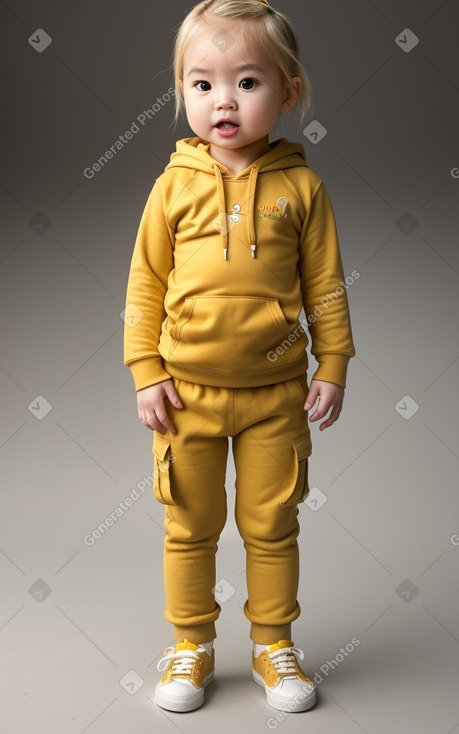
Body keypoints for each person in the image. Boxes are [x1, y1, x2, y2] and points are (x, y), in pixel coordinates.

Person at [123, 0, 356, 714]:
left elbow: (324, 287)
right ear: (182, 92)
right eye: (201, 83)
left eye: (247, 82)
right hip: (184, 396)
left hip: (275, 399)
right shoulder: (172, 187)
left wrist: (332, 364)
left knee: (271, 524)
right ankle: (190, 644)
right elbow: (144, 285)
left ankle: (271, 643)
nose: (222, 100)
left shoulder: (302, 189)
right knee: (188, 526)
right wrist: (145, 371)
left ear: (287, 92)